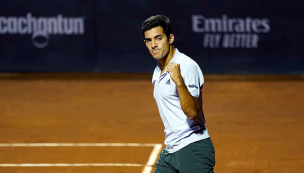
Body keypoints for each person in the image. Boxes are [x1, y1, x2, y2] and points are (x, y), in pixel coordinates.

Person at [142, 15, 215, 173]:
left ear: (170, 38)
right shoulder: (157, 71)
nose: (153, 45)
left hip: (193, 149)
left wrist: (179, 81)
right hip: (171, 150)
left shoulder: (186, 66)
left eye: (158, 38)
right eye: (149, 40)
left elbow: (192, 112)